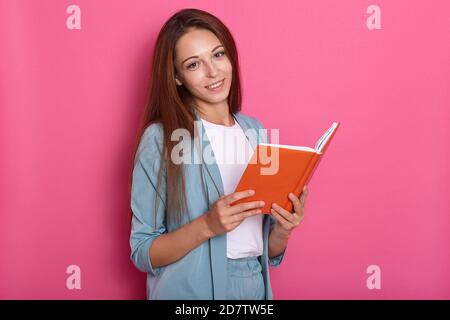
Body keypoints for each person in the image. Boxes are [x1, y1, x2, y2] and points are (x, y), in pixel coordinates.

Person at [128, 8, 309, 300]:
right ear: (176, 77)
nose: (213, 72)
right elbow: (142, 251)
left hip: (253, 288)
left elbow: (263, 248)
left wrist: (284, 230)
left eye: (218, 54)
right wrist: (207, 225)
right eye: (193, 64)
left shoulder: (256, 132)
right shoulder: (161, 139)